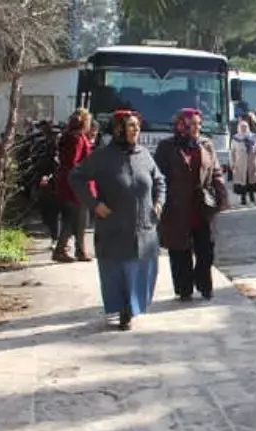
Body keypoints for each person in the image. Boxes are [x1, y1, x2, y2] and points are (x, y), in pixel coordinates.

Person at [69, 111, 166, 331]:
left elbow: (159, 180)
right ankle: (124, 310)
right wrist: (94, 204)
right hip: (114, 227)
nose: (136, 130)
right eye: (131, 126)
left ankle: (133, 306)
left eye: (137, 126)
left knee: (142, 269)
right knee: (119, 270)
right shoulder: (103, 157)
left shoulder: (144, 155)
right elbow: (76, 177)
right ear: (118, 130)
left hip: (144, 227)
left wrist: (159, 203)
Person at [154, 108, 227, 302]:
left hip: (202, 205)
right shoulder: (166, 147)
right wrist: (158, 202)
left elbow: (216, 172)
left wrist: (221, 196)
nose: (197, 128)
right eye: (192, 124)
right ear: (181, 125)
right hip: (177, 207)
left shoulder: (206, 145)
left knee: (206, 250)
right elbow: (158, 177)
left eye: (199, 124)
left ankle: (204, 284)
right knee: (179, 250)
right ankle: (184, 288)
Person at [53, 108, 94, 263]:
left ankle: (79, 250)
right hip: (77, 185)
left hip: (67, 183)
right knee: (76, 219)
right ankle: (63, 250)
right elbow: (73, 163)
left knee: (75, 219)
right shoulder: (77, 139)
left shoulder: (68, 136)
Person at [229, 120, 256, 205]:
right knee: (242, 181)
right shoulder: (235, 138)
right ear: (238, 128)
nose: (243, 129)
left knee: (251, 180)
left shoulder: (254, 137)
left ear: (248, 128)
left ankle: (252, 196)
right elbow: (232, 152)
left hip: (252, 163)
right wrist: (232, 163)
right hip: (240, 164)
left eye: (245, 127)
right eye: (241, 127)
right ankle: (243, 198)